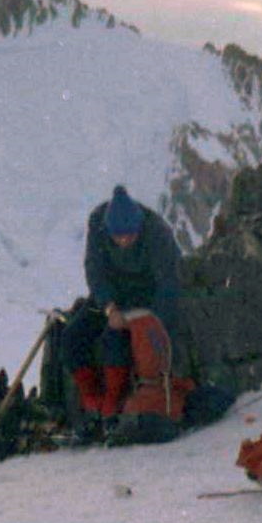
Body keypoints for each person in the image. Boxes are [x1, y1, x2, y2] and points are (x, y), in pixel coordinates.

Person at [59, 184, 181, 441]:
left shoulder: (157, 231)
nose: (124, 240)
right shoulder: (98, 223)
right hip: (110, 298)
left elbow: (168, 282)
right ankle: (91, 404)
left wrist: (150, 322)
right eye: (119, 236)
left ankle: (111, 408)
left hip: (143, 298)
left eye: (129, 235)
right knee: (72, 338)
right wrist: (108, 306)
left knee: (115, 342)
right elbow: (95, 269)